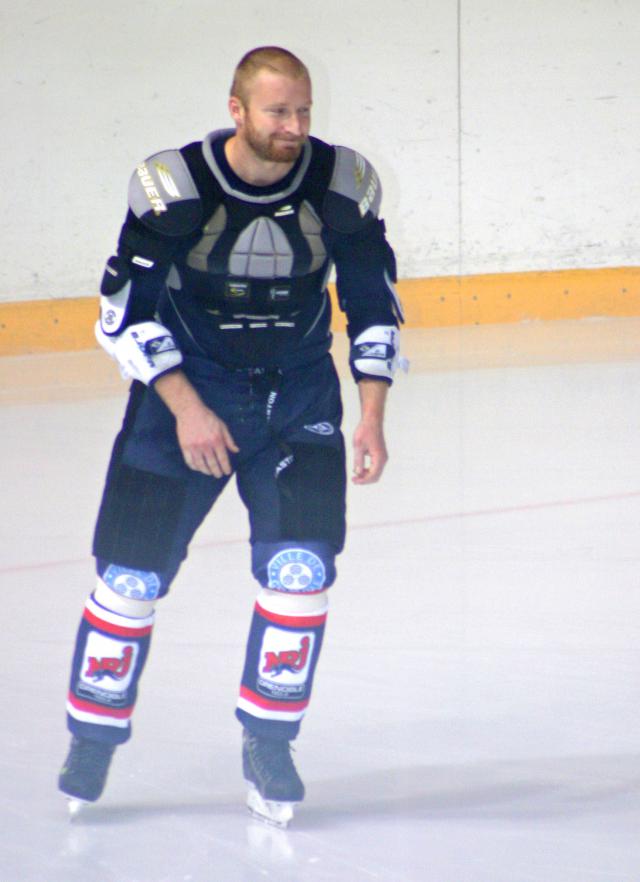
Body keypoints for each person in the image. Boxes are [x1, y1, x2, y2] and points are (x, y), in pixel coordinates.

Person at [58, 46, 404, 826]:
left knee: (301, 570)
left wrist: (372, 416)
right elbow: (123, 313)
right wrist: (185, 407)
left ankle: (270, 742)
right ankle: (93, 734)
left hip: (299, 394)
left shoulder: (343, 187)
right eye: (278, 111)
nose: (294, 127)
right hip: (189, 390)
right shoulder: (171, 188)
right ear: (237, 111)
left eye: (304, 111)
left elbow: (374, 305)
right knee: (130, 578)